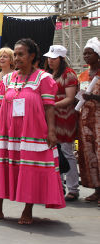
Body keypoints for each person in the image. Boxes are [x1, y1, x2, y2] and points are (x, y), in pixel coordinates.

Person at [0, 38, 65, 225]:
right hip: (7, 132)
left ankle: (27, 210)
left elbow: (49, 107)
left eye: (20, 54)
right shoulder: (8, 79)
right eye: (15, 55)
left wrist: (51, 131)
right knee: (0, 167)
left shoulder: (44, 79)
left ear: (32, 56)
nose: (16, 58)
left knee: (29, 169)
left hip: (32, 132)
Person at [43, 45, 79, 201]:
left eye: (54, 58)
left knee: (66, 152)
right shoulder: (48, 74)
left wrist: (51, 105)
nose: (50, 60)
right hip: (50, 118)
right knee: (53, 153)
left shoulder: (69, 75)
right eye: (49, 58)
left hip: (65, 117)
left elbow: (70, 98)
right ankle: (58, 186)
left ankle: (73, 188)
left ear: (61, 59)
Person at [77, 37, 100, 206]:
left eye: (89, 53)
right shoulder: (83, 75)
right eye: (85, 53)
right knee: (89, 154)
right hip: (85, 119)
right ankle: (96, 189)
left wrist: (92, 97)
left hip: (98, 118)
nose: (86, 56)